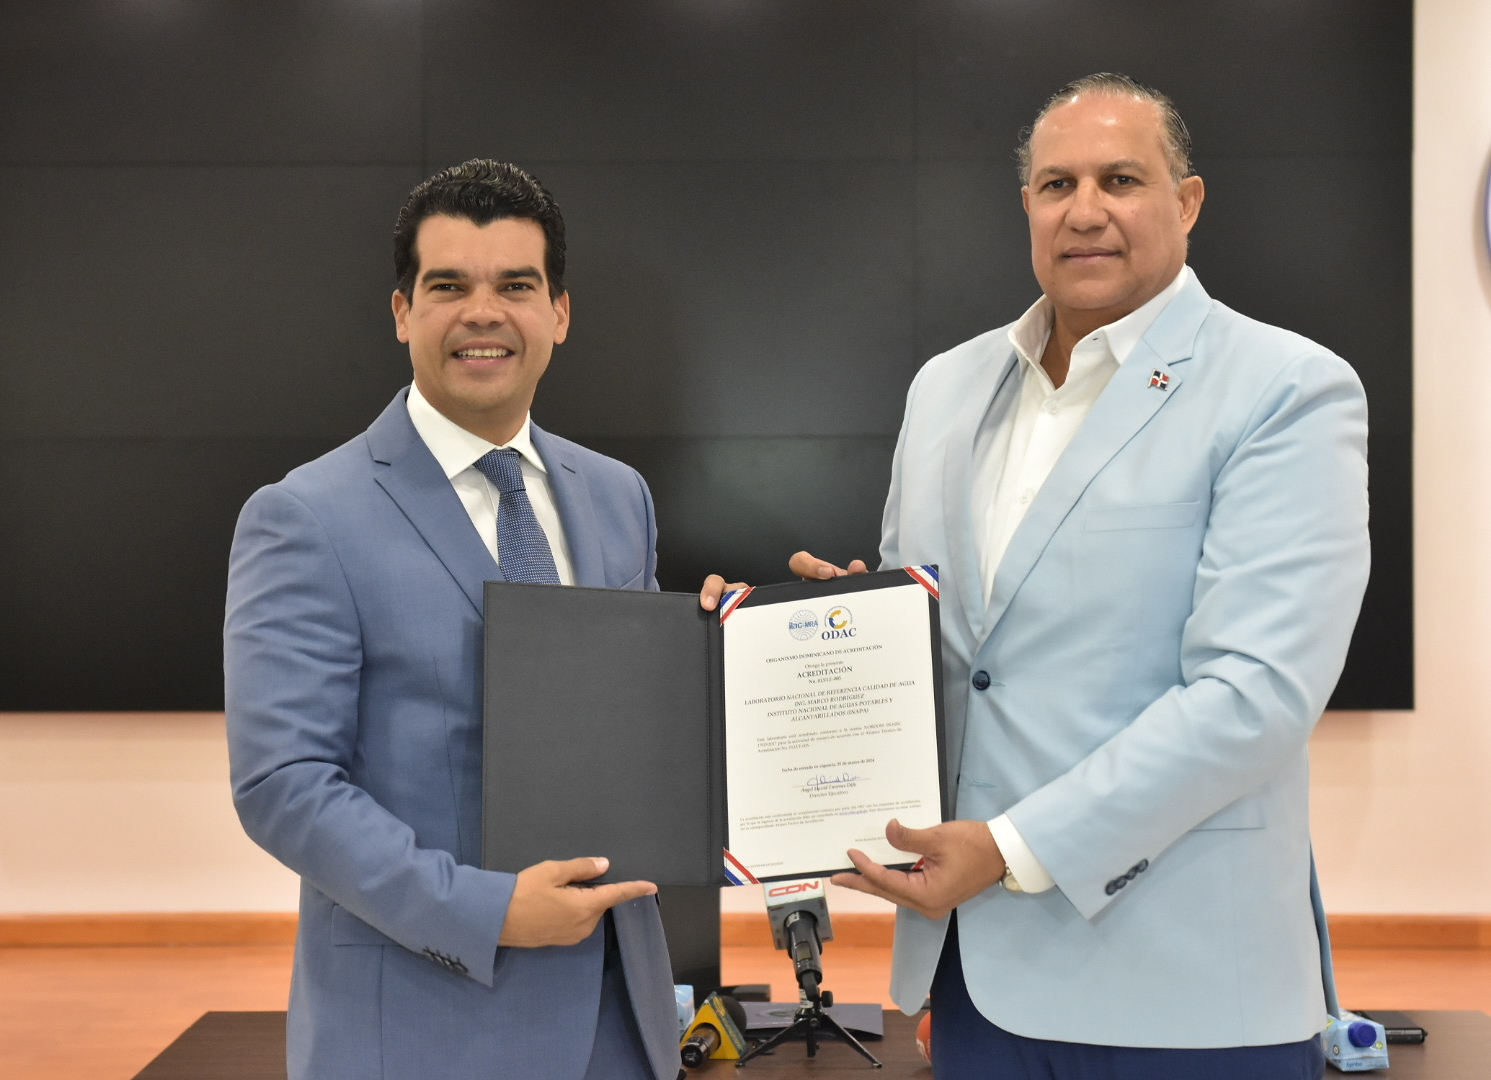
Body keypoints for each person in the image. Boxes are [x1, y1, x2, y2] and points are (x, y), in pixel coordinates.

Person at [705, 73, 1368, 1078]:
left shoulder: (1286, 389)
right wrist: (849, 629)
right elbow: (962, 653)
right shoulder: (945, 388)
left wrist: (1012, 848)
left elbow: (1256, 695)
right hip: (976, 982)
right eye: (1058, 185)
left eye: (1121, 180)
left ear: (1187, 202)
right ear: (1027, 208)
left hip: (1187, 991)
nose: (1085, 211)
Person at [226, 159, 680, 1080]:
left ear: (559, 312)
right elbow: (283, 784)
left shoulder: (619, 497)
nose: (483, 313)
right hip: (425, 1024)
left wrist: (741, 651)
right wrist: (488, 910)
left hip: (620, 1020)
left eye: (516, 286)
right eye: (448, 287)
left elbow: (632, 729)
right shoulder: (305, 515)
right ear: (402, 313)